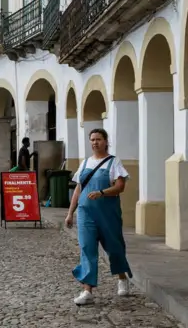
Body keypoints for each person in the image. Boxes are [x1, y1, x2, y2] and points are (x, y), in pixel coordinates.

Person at [66, 128, 133, 306]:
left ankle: (122, 277)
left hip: (107, 214)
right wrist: (70, 213)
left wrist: (102, 192)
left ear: (106, 141)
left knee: (114, 247)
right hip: (85, 213)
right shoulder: (85, 163)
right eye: (92, 139)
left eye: (99, 139)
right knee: (87, 248)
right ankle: (87, 290)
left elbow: (120, 186)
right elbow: (78, 189)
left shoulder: (113, 162)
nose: (95, 142)